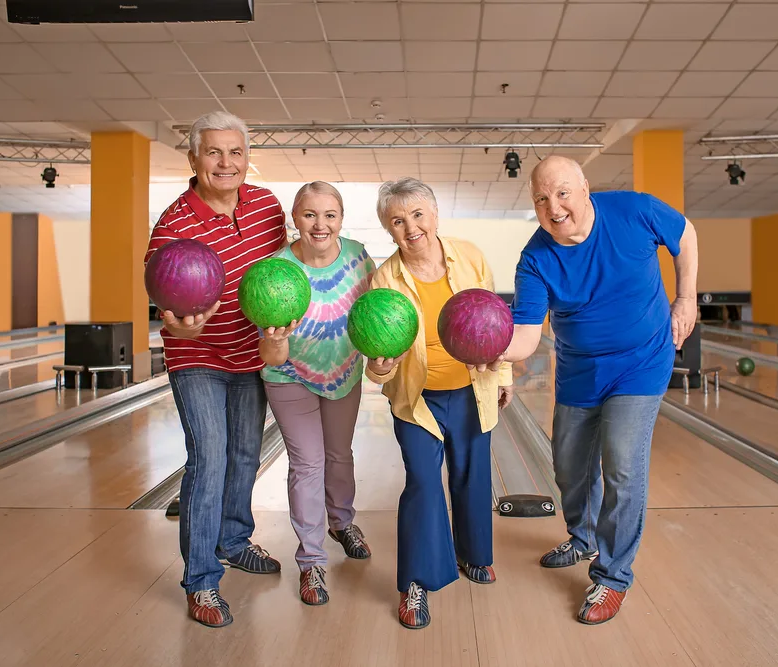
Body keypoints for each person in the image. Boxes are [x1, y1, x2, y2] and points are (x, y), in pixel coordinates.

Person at [494, 155, 698, 626]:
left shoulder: (634, 211)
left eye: (562, 192)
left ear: (585, 187)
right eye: (542, 199)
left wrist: (685, 297)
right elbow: (525, 336)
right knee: (569, 468)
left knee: (623, 464)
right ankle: (582, 538)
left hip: (641, 364)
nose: (554, 207)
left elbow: (684, 233)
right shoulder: (536, 258)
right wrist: (492, 352)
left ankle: (611, 577)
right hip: (580, 371)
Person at [144, 110, 286, 629]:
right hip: (197, 356)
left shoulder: (268, 206)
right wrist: (181, 328)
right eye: (214, 152)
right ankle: (201, 581)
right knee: (209, 458)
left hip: (253, 355)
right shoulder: (175, 222)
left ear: (247, 159)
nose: (226, 163)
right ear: (193, 158)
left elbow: (281, 276)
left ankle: (233, 540)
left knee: (246, 454)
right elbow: (167, 307)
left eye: (236, 152)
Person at [364, 176, 514, 630]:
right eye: (397, 220)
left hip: (471, 388)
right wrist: (382, 365)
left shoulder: (469, 257)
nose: (410, 228)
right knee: (424, 485)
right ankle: (416, 583)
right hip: (416, 399)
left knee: (472, 475)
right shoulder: (384, 278)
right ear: (388, 229)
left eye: (417, 215)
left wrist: (503, 374)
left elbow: (495, 324)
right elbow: (376, 365)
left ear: (433, 215)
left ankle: (474, 556)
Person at [257, 181, 377, 607]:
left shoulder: (360, 257)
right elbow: (269, 352)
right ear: (295, 218)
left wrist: (382, 356)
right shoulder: (277, 269)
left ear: (341, 219)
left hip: (344, 371)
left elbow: (375, 318)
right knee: (308, 464)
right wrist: (275, 338)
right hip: (289, 374)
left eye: (330, 214)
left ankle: (342, 522)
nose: (320, 224)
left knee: (339, 454)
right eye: (310, 214)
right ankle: (311, 563)